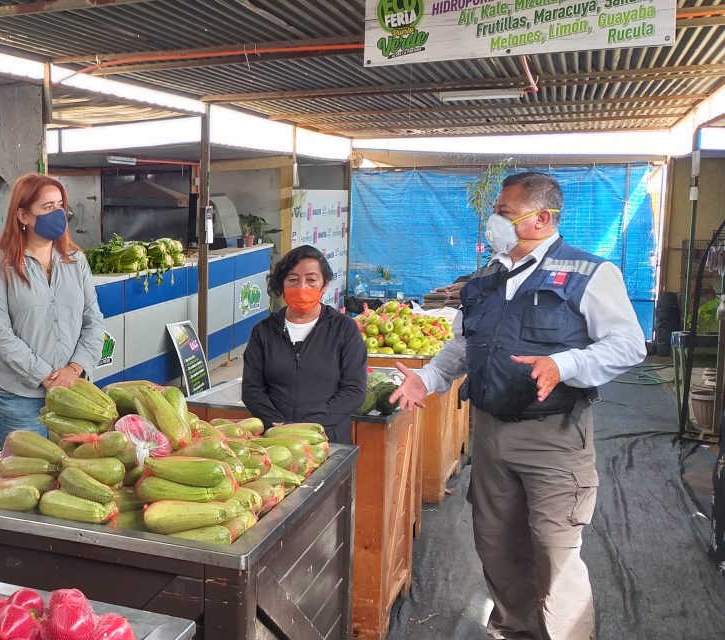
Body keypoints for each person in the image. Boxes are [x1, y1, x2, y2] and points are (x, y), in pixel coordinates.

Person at [390, 172, 646, 640]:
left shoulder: (589, 274)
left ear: (541, 218)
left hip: (554, 436)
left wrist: (564, 363)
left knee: (555, 550)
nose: (494, 222)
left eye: (504, 213)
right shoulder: (487, 277)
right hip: (489, 434)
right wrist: (427, 378)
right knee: (496, 544)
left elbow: (629, 345)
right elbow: (465, 346)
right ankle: (514, 630)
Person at [0, 173, 105, 442]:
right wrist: (46, 377)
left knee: (73, 476)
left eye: (60, 206)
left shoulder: (76, 260)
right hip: (20, 398)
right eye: (47, 207)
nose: (58, 214)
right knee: (27, 479)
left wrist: (74, 370)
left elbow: (93, 320)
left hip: (74, 394)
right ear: (23, 215)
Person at [241, 245, 366, 444]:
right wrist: (276, 424)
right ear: (282, 285)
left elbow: (354, 390)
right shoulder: (263, 331)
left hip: (327, 439)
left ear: (324, 285)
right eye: (292, 280)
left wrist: (311, 427)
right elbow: (252, 388)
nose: (302, 287)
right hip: (275, 441)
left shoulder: (344, 329)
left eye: (311, 280)